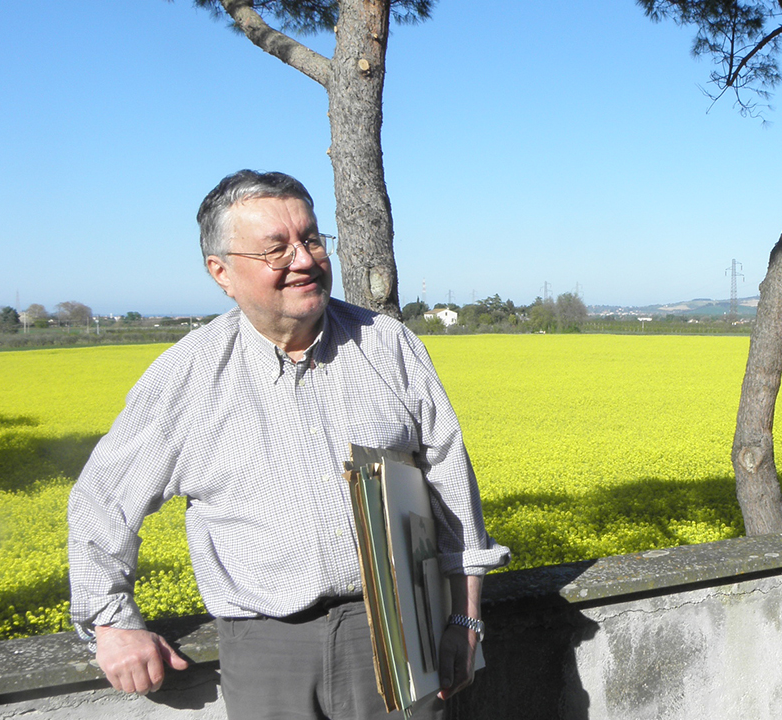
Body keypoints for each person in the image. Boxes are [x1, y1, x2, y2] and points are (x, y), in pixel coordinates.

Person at [67, 170, 509, 718]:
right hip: (265, 650)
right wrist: (111, 622)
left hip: (405, 631)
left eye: (312, 240)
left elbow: (450, 488)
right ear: (221, 272)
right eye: (277, 249)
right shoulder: (186, 376)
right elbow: (102, 500)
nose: (303, 259)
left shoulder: (388, 344)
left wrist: (465, 619)